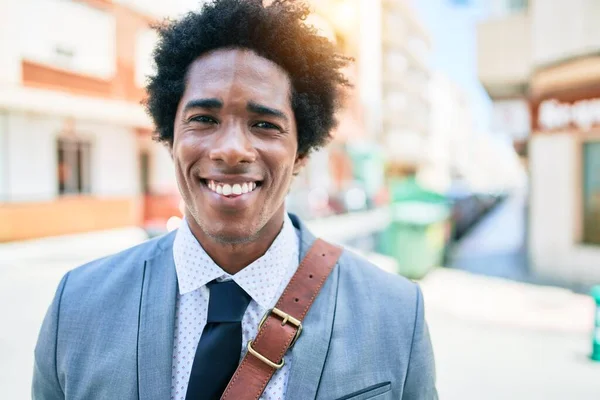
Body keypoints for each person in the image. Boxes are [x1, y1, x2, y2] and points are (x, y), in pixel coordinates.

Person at [32, 0, 437, 399]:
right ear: (170, 139)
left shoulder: (396, 315)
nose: (231, 150)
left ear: (301, 152)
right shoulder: (77, 306)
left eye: (264, 124)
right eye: (204, 119)